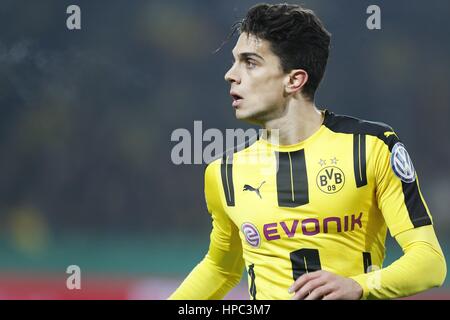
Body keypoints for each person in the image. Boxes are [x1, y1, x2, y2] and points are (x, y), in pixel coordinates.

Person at [169, 3, 446, 300]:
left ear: (294, 80)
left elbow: (430, 262)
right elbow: (220, 268)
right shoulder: (224, 173)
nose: (230, 74)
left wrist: (360, 286)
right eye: (234, 61)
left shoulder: (371, 146)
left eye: (249, 62)